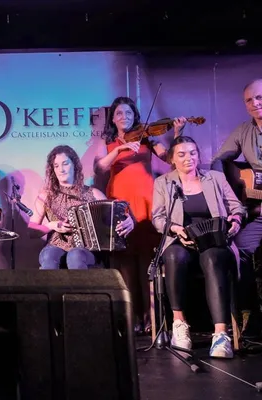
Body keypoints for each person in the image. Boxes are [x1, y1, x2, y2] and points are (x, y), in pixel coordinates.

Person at [94, 96, 187, 334]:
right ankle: (132, 316)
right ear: (112, 119)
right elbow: (100, 167)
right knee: (124, 262)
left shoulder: (147, 138)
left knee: (147, 261)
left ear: (135, 116)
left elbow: (170, 160)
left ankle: (150, 317)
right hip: (120, 202)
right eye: (119, 113)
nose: (124, 117)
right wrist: (121, 149)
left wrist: (177, 133)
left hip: (146, 201)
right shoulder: (108, 143)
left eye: (128, 113)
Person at [152, 136, 245, 358]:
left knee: (212, 259)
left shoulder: (215, 178)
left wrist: (235, 221)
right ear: (172, 159)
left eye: (193, 153)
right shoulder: (164, 182)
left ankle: (221, 334)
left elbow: (237, 207)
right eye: (182, 154)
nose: (188, 158)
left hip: (214, 240)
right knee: (173, 256)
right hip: (180, 240)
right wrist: (175, 229)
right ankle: (179, 324)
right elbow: (157, 218)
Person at [210, 78, 262, 337]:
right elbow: (218, 160)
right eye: (249, 100)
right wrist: (228, 189)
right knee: (238, 250)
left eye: (259, 97)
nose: (255, 103)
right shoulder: (244, 131)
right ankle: (250, 316)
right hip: (258, 212)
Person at [29, 145, 135, 269]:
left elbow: (114, 219)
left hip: (87, 249)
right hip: (56, 245)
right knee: (49, 255)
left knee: (75, 255)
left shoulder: (94, 193)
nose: (61, 170)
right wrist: (51, 225)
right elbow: (31, 231)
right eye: (56, 166)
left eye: (65, 164)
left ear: (74, 165)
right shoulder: (46, 196)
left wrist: (129, 222)